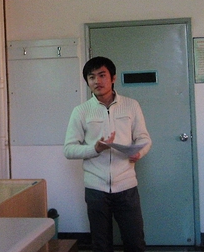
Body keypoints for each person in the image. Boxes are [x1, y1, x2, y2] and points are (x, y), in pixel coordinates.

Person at [63, 56, 152, 252]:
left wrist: (139, 152)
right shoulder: (81, 111)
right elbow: (69, 149)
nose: (97, 81)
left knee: (135, 243)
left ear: (113, 78)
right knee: (101, 245)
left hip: (126, 186)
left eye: (102, 75)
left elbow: (144, 139)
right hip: (96, 188)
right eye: (91, 77)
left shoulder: (131, 105)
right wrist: (95, 149)